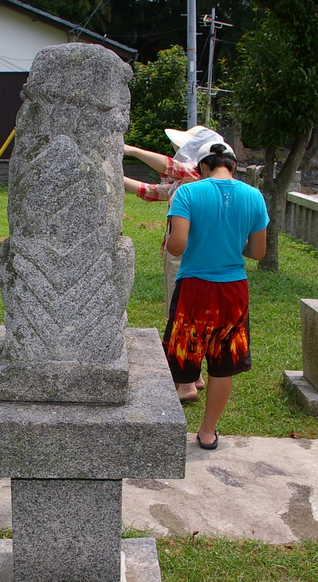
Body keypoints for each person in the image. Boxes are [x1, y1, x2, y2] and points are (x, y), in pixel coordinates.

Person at [163, 141, 268, 450]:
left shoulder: (188, 193)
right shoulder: (254, 196)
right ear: (233, 166)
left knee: (179, 357)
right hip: (233, 290)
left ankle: (164, 430)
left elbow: (177, 245)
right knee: (222, 365)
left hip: (195, 288)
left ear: (202, 167)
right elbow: (258, 252)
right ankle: (207, 433)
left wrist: (172, 236)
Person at [123, 126, 225, 401]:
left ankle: (187, 384)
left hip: (185, 253)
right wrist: (116, 177)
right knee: (185, 312)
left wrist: (129, 150)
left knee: (181, 314)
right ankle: (196, 376)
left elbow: (171, 168)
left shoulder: (196, 175)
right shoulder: (189, 181)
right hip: (185, 254)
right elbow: (152, 191)